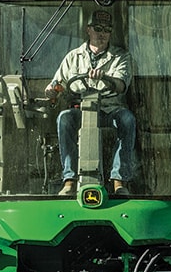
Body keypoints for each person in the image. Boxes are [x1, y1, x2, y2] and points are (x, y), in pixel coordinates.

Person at [45, 10, 136, 196]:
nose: (102, 33)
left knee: (127, 119)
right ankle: (69, 179)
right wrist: (51, 91)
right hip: (82, 109)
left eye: (107, 29)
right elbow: (57, 84)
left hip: (110, 110)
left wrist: (107, 78)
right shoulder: (73, 57)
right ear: (89, 30)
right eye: (98, 29)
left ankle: (119, 180)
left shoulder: (121, 57)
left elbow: (120, 84)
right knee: (65, 118)